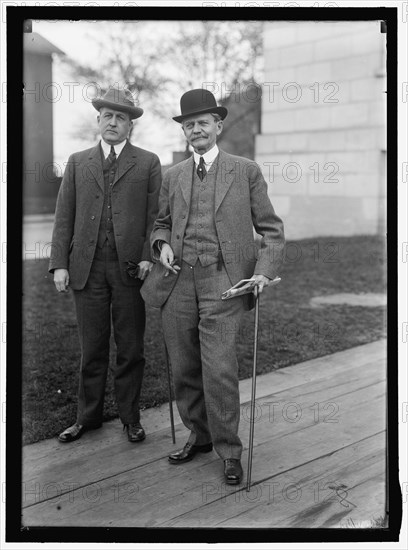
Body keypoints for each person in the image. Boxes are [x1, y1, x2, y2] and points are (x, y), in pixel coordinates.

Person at [141, 89, 285, 484]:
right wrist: (162, 244)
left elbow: (271, 230)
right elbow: (161, 222)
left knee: (219, 369)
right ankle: (199, 435)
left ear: (218, 126)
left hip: (225, 282)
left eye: (203, 122)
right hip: (178, 282)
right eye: (189, 124)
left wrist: (263, 272)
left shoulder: (246, 170)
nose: (196, 130)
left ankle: (229, 450)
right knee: (184, 367)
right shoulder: (173, 176)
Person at [49, 87, 161, 444]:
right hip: (87, 267)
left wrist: (148, 255)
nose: (114, 122)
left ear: (131, 126)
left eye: (121, 118)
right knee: (92, 346)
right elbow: (63, 216)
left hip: (130, 270)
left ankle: (130, 417)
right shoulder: (78, 161)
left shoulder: (147, 162)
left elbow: (156, 217)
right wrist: (59, 264)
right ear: (98, 120)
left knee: (130, 348)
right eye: (108, 116)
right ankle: (88, 417)